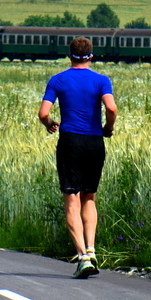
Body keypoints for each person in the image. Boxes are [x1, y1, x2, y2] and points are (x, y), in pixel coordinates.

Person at [38, 37, 117, 279]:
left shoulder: (58, 80)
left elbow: (43, 113)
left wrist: (50, 124)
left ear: (69, 56)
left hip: (70, 141)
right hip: (95, 142)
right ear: (91, 56)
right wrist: (108, 127)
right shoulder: (102, 80)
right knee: (89, 197)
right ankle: (92, 250)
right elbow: (111, 108)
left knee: (71, 198)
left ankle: (82, 257)